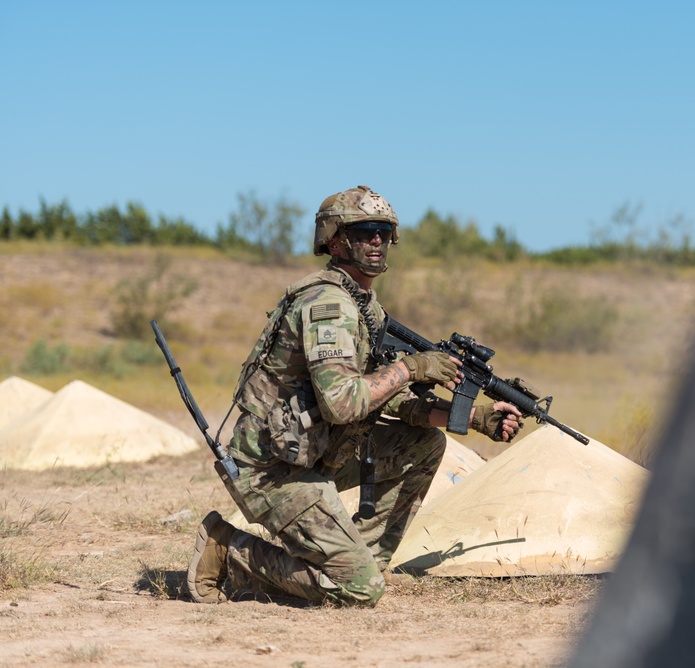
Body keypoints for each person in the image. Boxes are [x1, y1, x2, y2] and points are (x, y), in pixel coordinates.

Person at [187, 185, 523, 606]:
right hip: (271, 468)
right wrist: (409, 368)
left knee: (424, 444)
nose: (378, 240)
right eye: (364, 231)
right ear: (334, 240)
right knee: (359, 592)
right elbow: (344, 402)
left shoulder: (364, 305)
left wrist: (474, 417)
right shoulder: (328, 306)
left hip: (313, 453)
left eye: (384, 231)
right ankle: (228, 549)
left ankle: (362, 560)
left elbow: (386, 397)